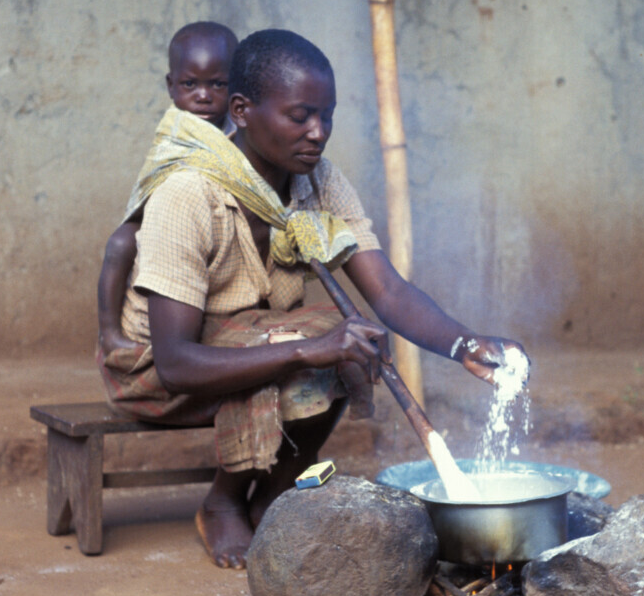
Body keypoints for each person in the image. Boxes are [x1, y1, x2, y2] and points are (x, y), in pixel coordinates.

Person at [100, 28, 522, 568]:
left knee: (353, 338)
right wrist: (308, 350)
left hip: (247, 342)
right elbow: (177, 363)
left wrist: (463, 344)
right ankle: (224, 501)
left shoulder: (316, 180)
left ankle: (274, 490)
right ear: (242, 110)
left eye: (327, 116)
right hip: (157, 372)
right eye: (300, 116)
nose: (318, 133)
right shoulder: (188, 193)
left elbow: (386, 291)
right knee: (309, 339)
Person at [96, 22, 238, 360]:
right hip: (165, 221)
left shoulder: (241, 128)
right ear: (171, 86)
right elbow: (158, 178)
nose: (203, 95)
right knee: (119, 243)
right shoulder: (175, 128)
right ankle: (109, 333)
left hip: (217, 222)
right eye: (190, 84)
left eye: (217, 84)